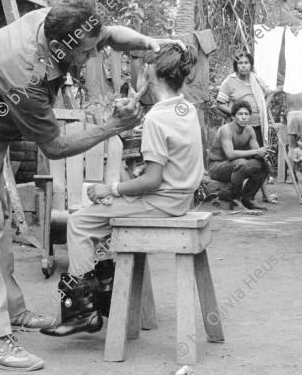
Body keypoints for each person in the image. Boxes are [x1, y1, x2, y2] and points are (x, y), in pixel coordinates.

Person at [0, 0, 185, 371]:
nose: (89, 59)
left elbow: (109, 35)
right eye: (85, 53)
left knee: (0, 220)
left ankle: (11, 311)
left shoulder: (62, 22)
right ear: (58, 46)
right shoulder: (25, 73)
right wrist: (111, 127)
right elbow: (53, 146)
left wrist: (149, 42)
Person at [40, 44, 202, 337]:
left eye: (143, 72)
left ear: (151, 75)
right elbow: (173, 163)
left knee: (79, 223)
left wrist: (111, 189)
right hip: (180, 198)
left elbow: (152, 182)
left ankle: (81, 312)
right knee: (98, 220)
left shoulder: (156, 118)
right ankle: (104, 299)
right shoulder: (185, 109)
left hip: (160, 202)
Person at [216, 52, 277, 204]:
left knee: (261, 159)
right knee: (241, 161)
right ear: (236, 66)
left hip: (257, 126)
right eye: (240, 63)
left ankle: (264, 195)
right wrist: (237, 113)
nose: (243, 65)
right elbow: (220, 104)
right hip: (240, 129)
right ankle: (235, 195)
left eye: (246, 63)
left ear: (251, 65)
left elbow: (271, 92)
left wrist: (263, 107)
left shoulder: (255, 79)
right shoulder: (229, 82)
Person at [208, 100, 270, 211]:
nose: (244, 117)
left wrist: (264, 153)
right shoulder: (226, 130)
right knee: (241, 162)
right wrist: (256, 152)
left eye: (247, 114)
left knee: (264, 165)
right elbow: (230, 154)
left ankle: (248, 199)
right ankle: (235, 201)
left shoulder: (249, 130)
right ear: (233, 116)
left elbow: (256, 152)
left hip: (235, 166)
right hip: (216, 168)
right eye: (240, 114)